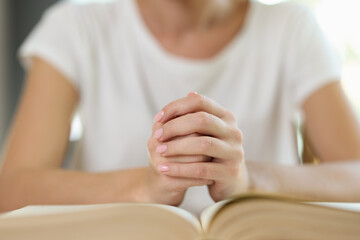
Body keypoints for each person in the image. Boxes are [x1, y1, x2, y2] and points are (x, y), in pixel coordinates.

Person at [0, 0, 360, 215]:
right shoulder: (76, 28)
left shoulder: (290, 28)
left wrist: (250, 180)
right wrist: (144, 187)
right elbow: (13, 189)